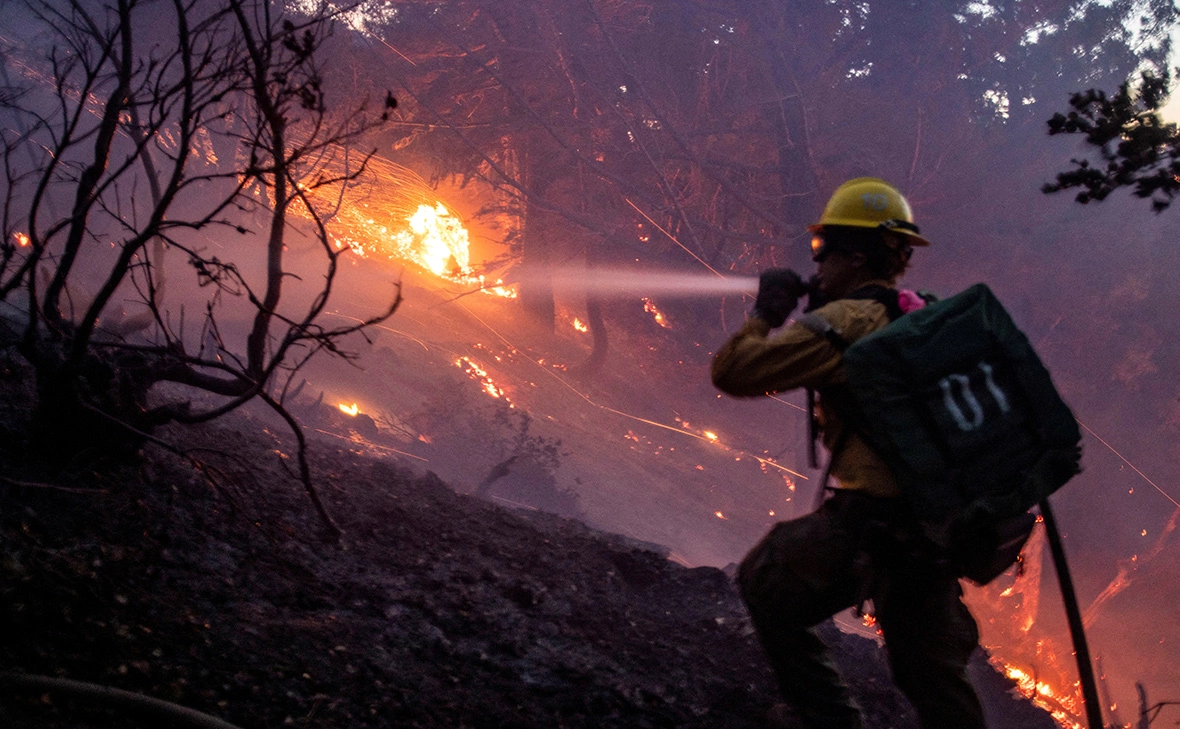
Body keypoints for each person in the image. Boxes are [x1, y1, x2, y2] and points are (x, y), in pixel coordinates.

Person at [710, 178, 986, 729]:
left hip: (873, 522)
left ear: (855, 254)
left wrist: (766, 314)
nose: (817, 261)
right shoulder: (925, 316)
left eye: (822, 247)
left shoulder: (847, 324)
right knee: (934, 680)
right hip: (936, 529)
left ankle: (827, 718)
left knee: (767, 579)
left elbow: (734, 372)